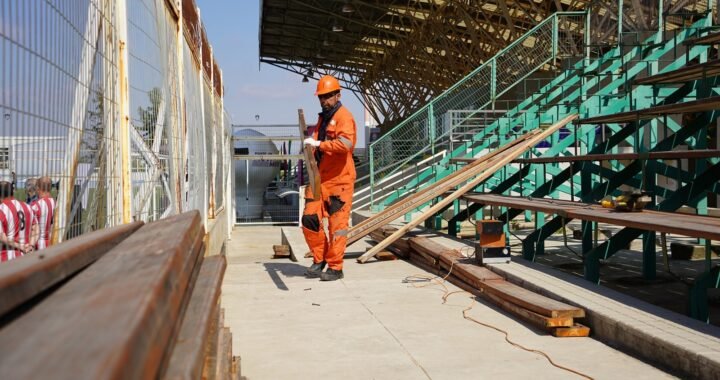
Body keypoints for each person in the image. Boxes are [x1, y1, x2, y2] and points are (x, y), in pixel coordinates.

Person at [301, 75, 357, 281]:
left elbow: (345, 145)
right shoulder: (322, 118)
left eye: (328, 96)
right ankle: (320, 258)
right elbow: (318, 142)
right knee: (309, 219)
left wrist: (319, 145)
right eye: (321, 97)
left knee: (337, 227)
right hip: (320, 179)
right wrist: (311, 145)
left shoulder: (344, 117)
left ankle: (335, 267)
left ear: (337, 95)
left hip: (339, 181)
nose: (324, 100)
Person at [0, 181, 37, 261]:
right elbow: (35, 228)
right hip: (26, 255)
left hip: (7, 256)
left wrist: (20, 246)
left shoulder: (1, 210)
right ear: (12, 192)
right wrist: (31, 245)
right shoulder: (27, 206)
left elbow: (2, 237)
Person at [30, 176, 56, 250]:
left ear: (38, 188)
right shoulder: (54, 202)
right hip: (53, 240)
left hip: (39, 243)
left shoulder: (35, 206)